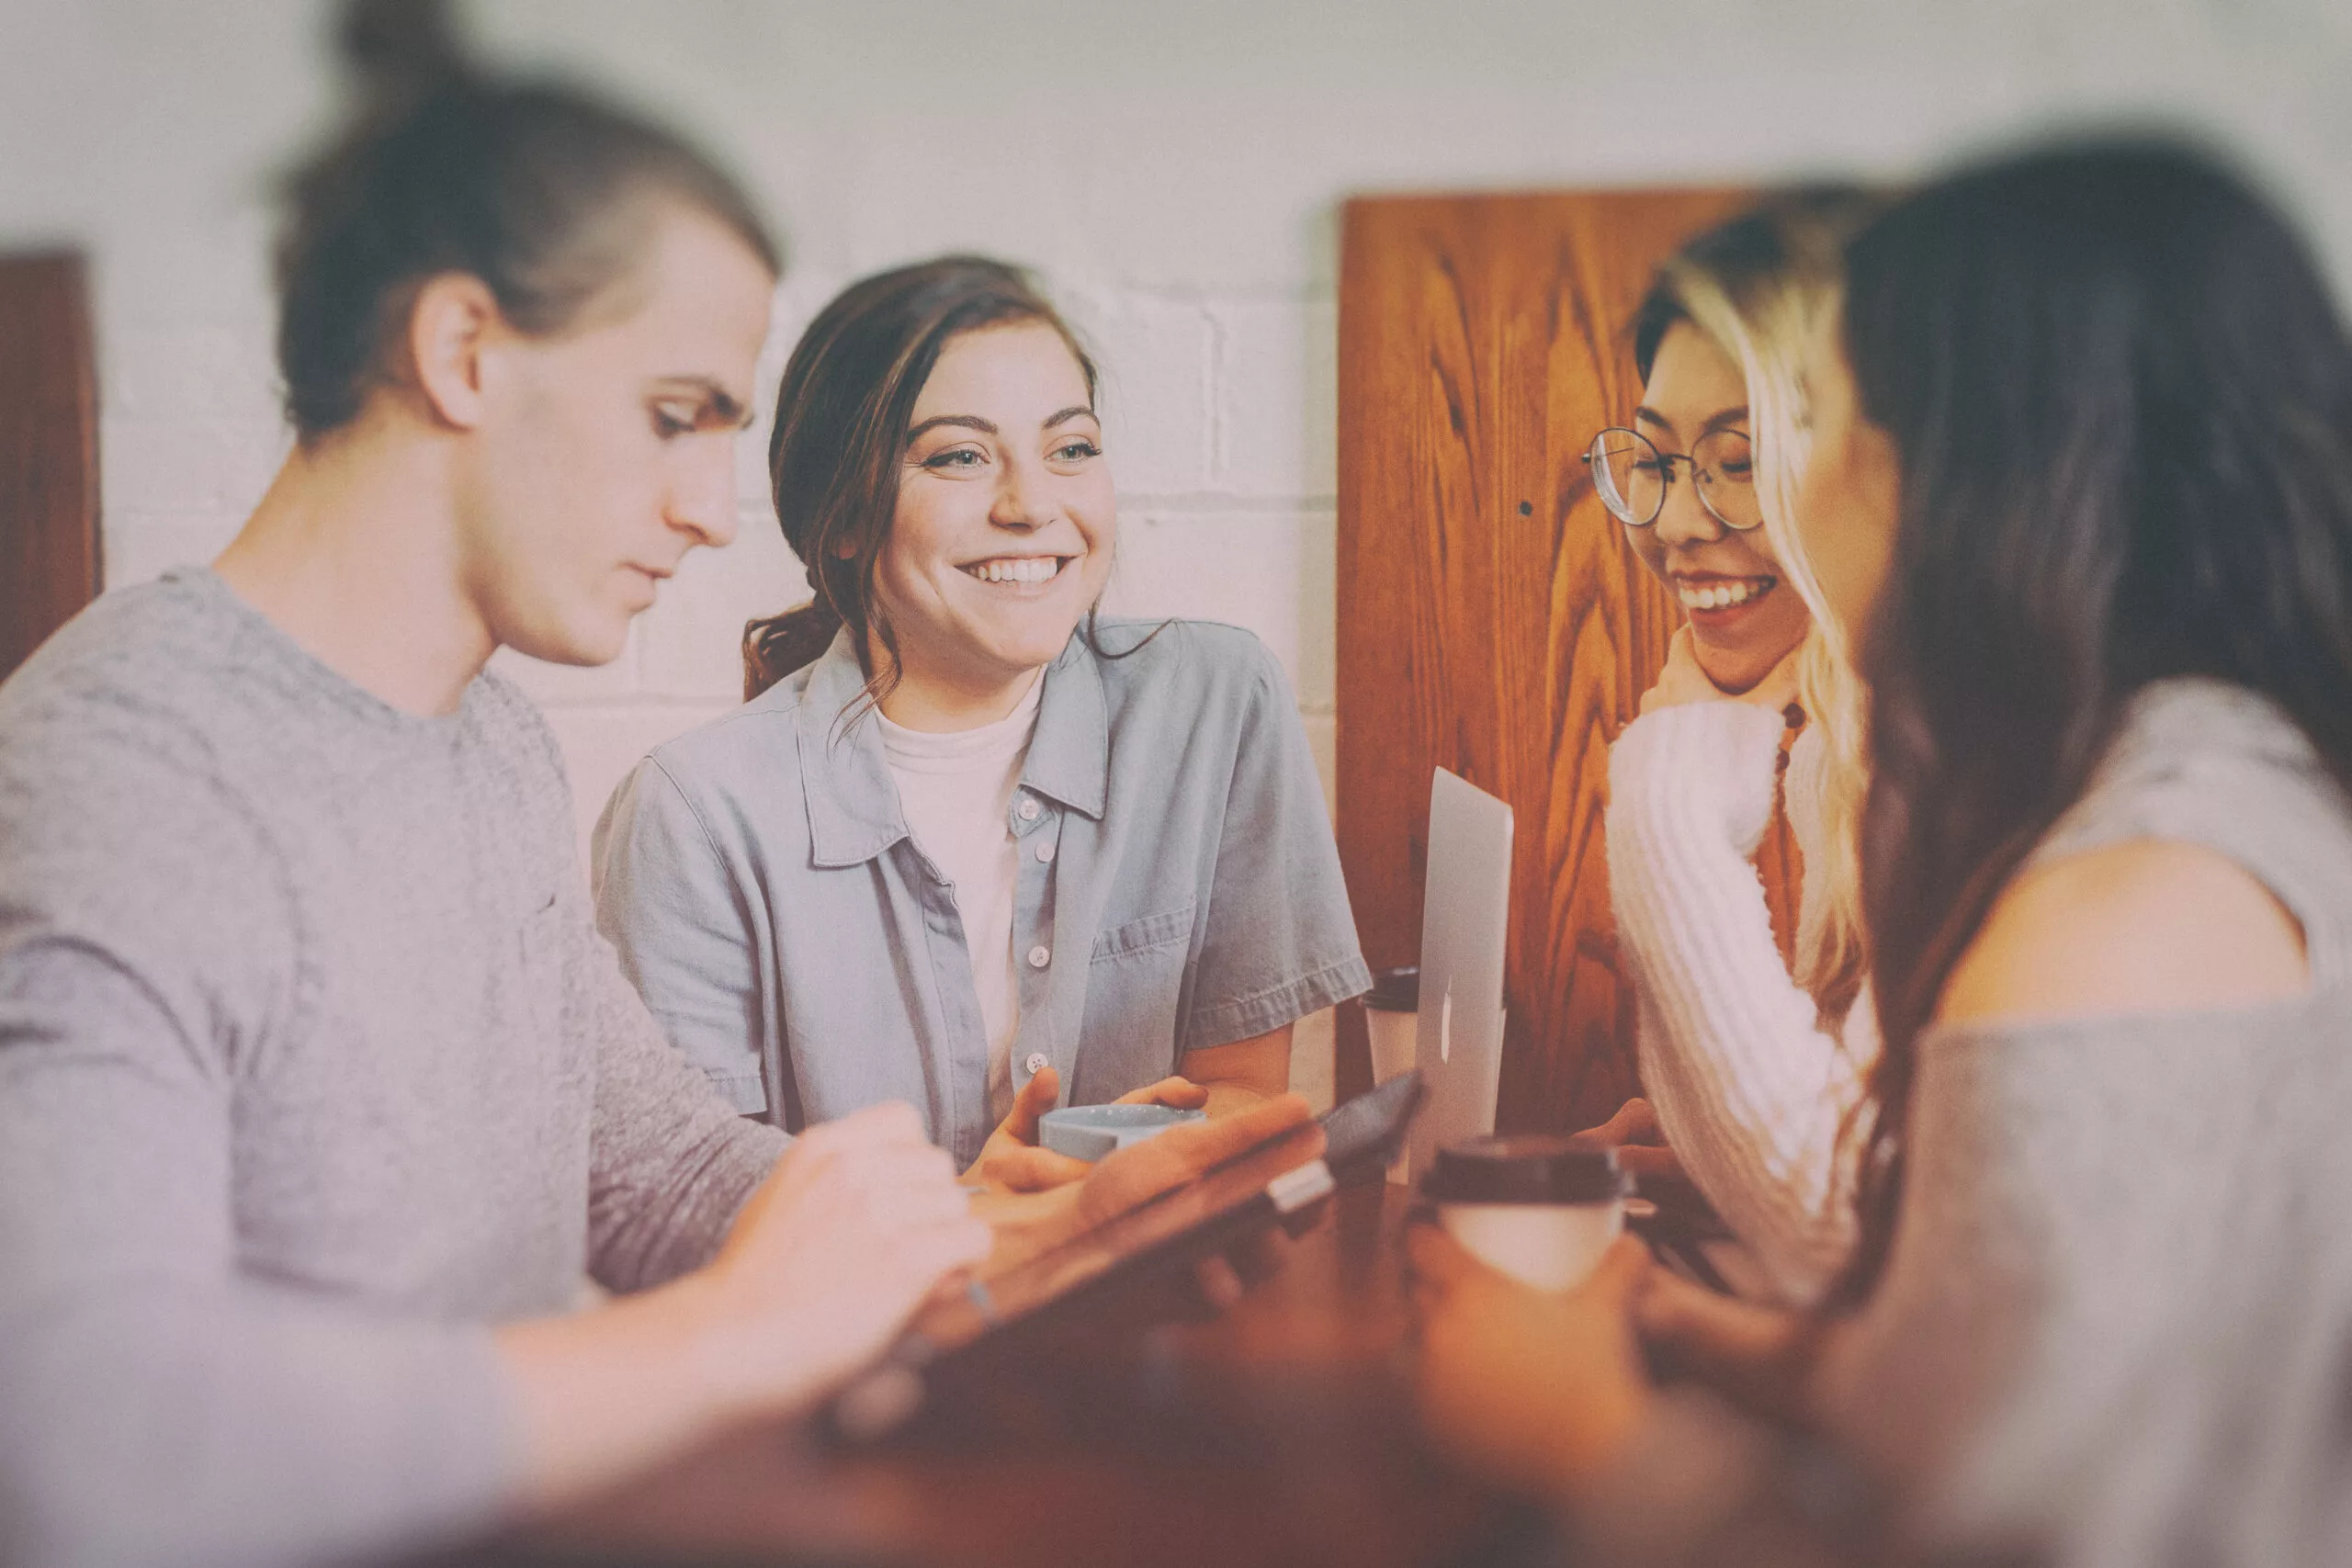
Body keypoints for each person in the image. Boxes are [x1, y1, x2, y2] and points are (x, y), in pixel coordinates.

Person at [0, 8, 1307, 1567]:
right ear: (463, 349)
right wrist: (741, 1337)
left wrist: (987, 1244)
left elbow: (661, 1172)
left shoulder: (483, 742)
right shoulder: (114, 774)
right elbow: (84, 1447)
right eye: (676, 415)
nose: (707, 510)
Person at [1413, 139, 2352, 1567]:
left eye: (1821, 425)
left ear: (1987, 469)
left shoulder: (2126, 902)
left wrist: (1587, 1432)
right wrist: (1684, 1329)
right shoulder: (2221, 783)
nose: (1708, 510)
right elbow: (1993, 1378)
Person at [593, 256, 1371, 1188]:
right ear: (841, 517)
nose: (1032, 505)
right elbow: (690, 1205)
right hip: (865, 1331)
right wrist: (984, 1231)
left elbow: (1241, 1099)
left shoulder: (1213, 705)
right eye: (959, 456)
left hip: (1151, 1309)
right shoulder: (693, 816)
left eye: (1071, 448)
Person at [1583, 192, 1883, 1306]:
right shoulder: (1839, 744)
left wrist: (1667, 786)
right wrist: (1716, 1150)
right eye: (1656, 461)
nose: (1671, 522)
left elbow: (1837, 1231)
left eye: (1740, 458)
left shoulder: (1974, 756)